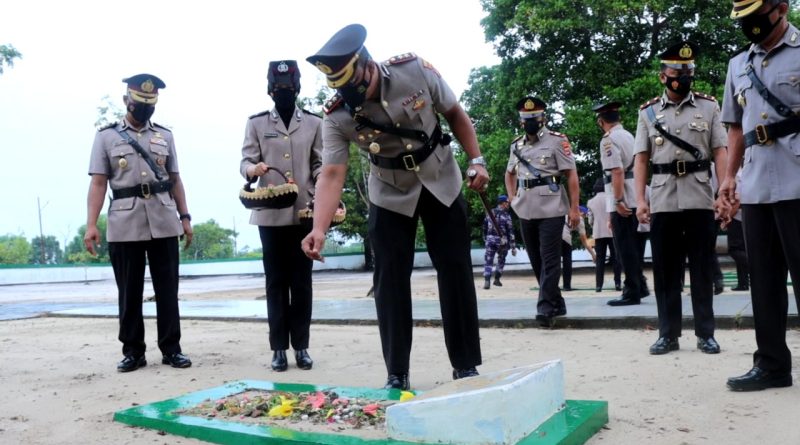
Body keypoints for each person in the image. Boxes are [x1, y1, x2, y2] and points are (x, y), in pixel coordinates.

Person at [302, 24, 486, 390]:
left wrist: (477, 159)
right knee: (389, 281)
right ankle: (396, 372)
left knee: (455, 270)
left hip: (440, 178)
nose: (355, 98)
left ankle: (465, 365)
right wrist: (319, 228)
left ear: (368, 65)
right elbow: (333, 173)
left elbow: (455, 113)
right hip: (388, 192)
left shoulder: (414, 70)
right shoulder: (337, 116)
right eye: (344, 91)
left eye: (357, 87)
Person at [84, 74, 193, 372]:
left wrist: (185, 217)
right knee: (129, 291)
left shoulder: (165, 136)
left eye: (149, 104)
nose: (144, 109)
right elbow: (98, 183)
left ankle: (172, 348)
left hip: (163, 218)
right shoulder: (106, 136)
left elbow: (175, 180)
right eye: (139, 103)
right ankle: (133, 351)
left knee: (167, 289)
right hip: (124, 221)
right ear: (126, 100)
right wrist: (91, 225)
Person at [721, 0, 799, 391]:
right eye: (742, 19)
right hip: (755, 186)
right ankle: (771, 365)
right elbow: (735, 130)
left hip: (799, 178)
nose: (748, 25)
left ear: (781, 7)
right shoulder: (738, 65)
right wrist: (729, 177)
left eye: (755, 16)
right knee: (764, 281)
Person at [634, 41, 728, 356]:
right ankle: (668, 334)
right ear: (663, 76)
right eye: (677, 71)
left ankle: (706, 334)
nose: (684, 75)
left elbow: (720, 151)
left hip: (700, 196)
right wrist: (641, 200)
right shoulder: (647, 112)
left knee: (702, 268)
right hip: (662, 199)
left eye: (688, 70)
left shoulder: (709, 106)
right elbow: (642, 159)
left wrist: (724, 190)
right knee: (665, 271)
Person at [240, 60, 322, 372]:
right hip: (270, 216)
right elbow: (246, 160)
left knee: (302, 283)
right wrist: (253, 169)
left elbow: (320, 163)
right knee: (275, 283)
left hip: (304, 213)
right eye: (278, 88)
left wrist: (318, 192)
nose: (283, 92)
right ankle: (278, 349)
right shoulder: (257, 123)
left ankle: (301, 346)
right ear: (270, 90)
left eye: (288, 87)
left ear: (298, 88)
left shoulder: (314, 123)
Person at [504, 97, 581, 327]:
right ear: (520, 121)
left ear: (543, 118)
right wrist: (512, 197)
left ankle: (545, 308)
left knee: (550, 260)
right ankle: (556, 301)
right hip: (525, 208)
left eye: (535, 118)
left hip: (552, 207)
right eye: (526, 119)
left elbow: (571, 175)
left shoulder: (557, 141)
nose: (531, 122)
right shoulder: (516, 145)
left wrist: (574, 209)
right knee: (536, 261)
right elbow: (509, 173)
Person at [592, 101, 646, 306]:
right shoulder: (629, 135)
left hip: (622, 198)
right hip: (635, 195)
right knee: (633, 246)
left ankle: (632, 291)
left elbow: (616, 171)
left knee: (625, 249)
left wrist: (617, 200)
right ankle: (640, 286)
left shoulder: (608, 140)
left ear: (601, 122)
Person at [587, 178, 621, 292]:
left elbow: (590, 220)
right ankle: (617, 283)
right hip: (612, 232)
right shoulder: (611, 199)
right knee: (615, 258)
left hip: (598, 233)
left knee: (600, 259)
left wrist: (594, 225)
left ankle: (599, 285)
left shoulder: (591, 202)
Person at [482, 194, 517, 289]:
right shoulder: (506, 215)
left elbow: (484, 226)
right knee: (501, 260)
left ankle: (487, 281)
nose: (508, 204)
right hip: (502, 241)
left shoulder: (490, 213)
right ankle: (497, 279)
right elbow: (510, 231)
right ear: (502, 203)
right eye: (507, 203)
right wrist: (513, 247)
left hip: (490, 240)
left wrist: (486, 238)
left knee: (488, 260)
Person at [560, 206, 596, 291]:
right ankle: (566, 285)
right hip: (565, 238)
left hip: (553, 236)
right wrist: (593, 254)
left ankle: (549, 285)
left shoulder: (564, 212)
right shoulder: (579, 219)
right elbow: (584, 241)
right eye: (585, 215)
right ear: (581, 213)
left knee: (552, 261)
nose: (585, 217)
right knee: (567, 261)